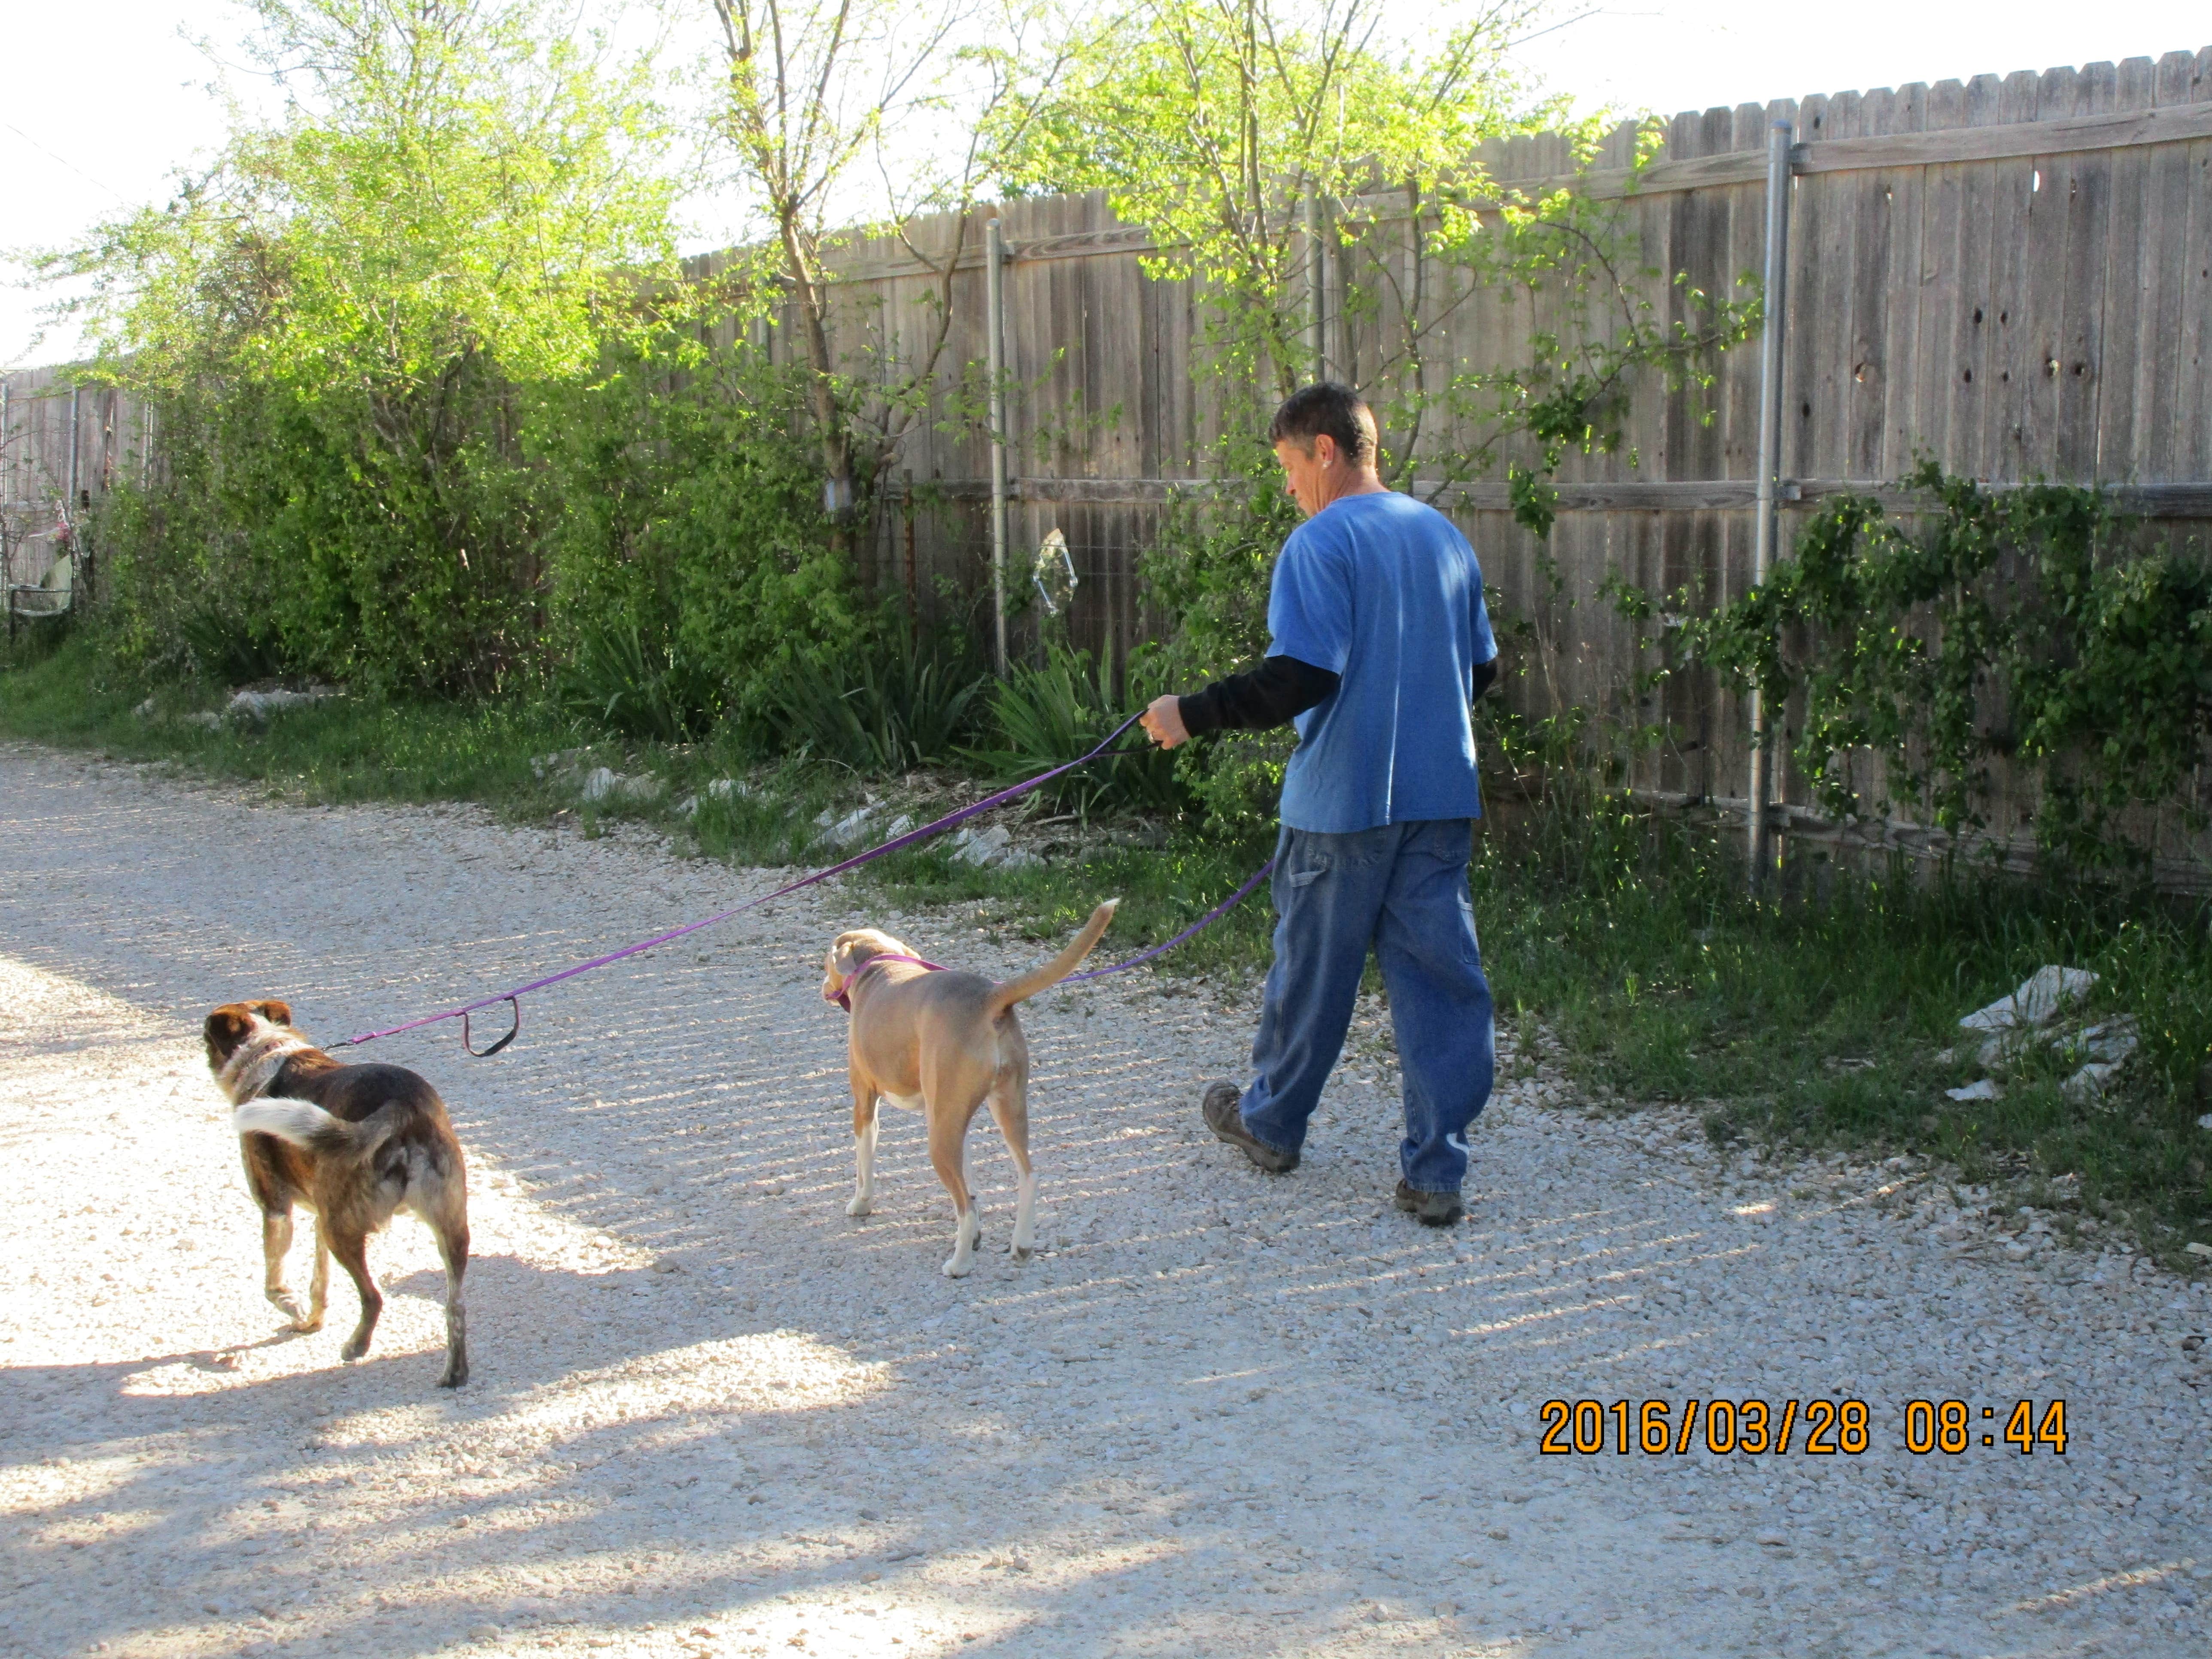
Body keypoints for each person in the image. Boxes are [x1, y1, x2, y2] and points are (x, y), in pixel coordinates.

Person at [1139, 383, 1498, 1227]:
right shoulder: (1441, 536)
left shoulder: (1318, 543)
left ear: (1324, 451)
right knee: (1442, 983)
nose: (1288, 488)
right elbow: (1479, 671)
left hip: (1341, 805)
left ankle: (1268, 1124)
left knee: (1310, 973)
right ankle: (1435, 1172)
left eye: (1287, 466)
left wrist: (1187, 716)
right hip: (1440, 796)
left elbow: (1300, 677)